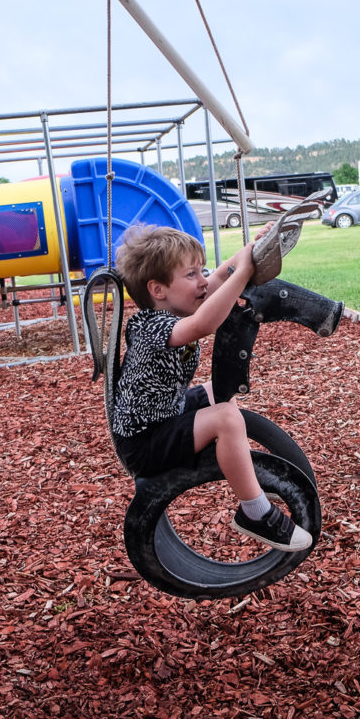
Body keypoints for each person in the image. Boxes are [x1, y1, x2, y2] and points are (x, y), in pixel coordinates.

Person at [111, 224, 312, 552]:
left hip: (165, 413)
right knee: (226, 418)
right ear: (158, 290)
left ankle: (244, 471)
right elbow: (205, 323)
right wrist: (244, 271)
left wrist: (252, 251)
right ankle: (255, 514)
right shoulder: (150, 326)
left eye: (199, 270)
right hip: (144, 442)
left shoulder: (174, 306)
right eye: (191, 275)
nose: (203, 281)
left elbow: (218, 278)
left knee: (217, 392)